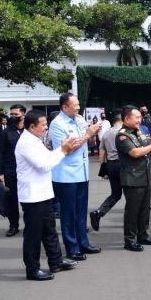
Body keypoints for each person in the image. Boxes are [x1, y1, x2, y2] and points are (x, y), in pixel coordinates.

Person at [14, 109, 80, 281]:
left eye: (46, 124)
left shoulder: (35, 140)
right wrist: (63, 151)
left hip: (42, 193)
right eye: (42, 125)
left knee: (49, 230)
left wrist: (61, 149)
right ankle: (32, 269)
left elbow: (49, 156)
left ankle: (56, 261)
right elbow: (44, 165)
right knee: (33, 235)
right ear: (32, 126)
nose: (46, 128)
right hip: (33, 196)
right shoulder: (27, 143)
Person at [49, 92, 102, 261]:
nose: (78, 108)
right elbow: (67, 149)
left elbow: (85, 142)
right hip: (66, 175)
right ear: (64, 107)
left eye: (79, 104)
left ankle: (83, 243)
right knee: (68, 213)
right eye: (75, 105)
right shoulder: (57, 124)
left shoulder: (79, 119)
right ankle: (71, 247)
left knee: (81, 211)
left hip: (82, 172)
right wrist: (88, 134)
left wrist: (91, 134)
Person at [116, 105, 151, 252]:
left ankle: (143, 235)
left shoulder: (139, 131)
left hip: (144, 175)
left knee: (144, 208)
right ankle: (129, 240)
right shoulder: (122, 135)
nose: (140, 120)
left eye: (140, 117)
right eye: (136, 117)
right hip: (132, 177)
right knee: (132, 210)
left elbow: (147, 147)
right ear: (126, 119)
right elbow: (135, 152)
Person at [0, 104, 27, 237]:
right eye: (11, 114)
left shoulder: (29, 131)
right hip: (10, 171)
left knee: (28, 200)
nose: (13, 116)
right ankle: (13, 225)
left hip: (27, 172)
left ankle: (30, 226)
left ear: (23, 114)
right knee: (12, 200)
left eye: (16, 114)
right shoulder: (5, 132)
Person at [89, 109, 124, 231]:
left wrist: (103, 168)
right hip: (123, 165)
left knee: (115, 194)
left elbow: (101, 153)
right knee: (131, 194)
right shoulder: (124, 132)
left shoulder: (106, 133)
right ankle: (131, 221)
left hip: (111, 165)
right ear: (121, 119)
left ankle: (99, 212)